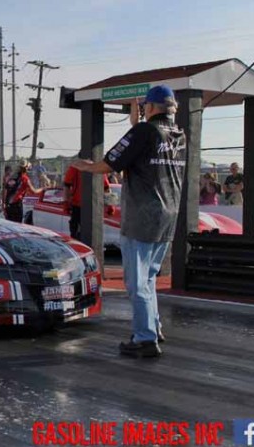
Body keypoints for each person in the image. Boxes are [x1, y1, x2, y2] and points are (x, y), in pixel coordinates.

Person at [71, 84, 186, 358]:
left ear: (150, 107)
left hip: (142, 217)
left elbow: (109, 163)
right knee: (148, 278)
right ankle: (153, 327)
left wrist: (82, 166)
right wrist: (138, 124)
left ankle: (145, 338)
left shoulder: (144, 131)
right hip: (168, 216)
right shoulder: (180, 135)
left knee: (136, 282)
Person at [63, 160, 111, 240]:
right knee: (83, 234)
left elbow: (66, 185)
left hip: (85, 206)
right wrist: (110, 204)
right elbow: (106, 188)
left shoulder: (75, 167)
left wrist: (66, 203)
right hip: (86, 207)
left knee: (81, 235)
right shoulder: (98, 167)